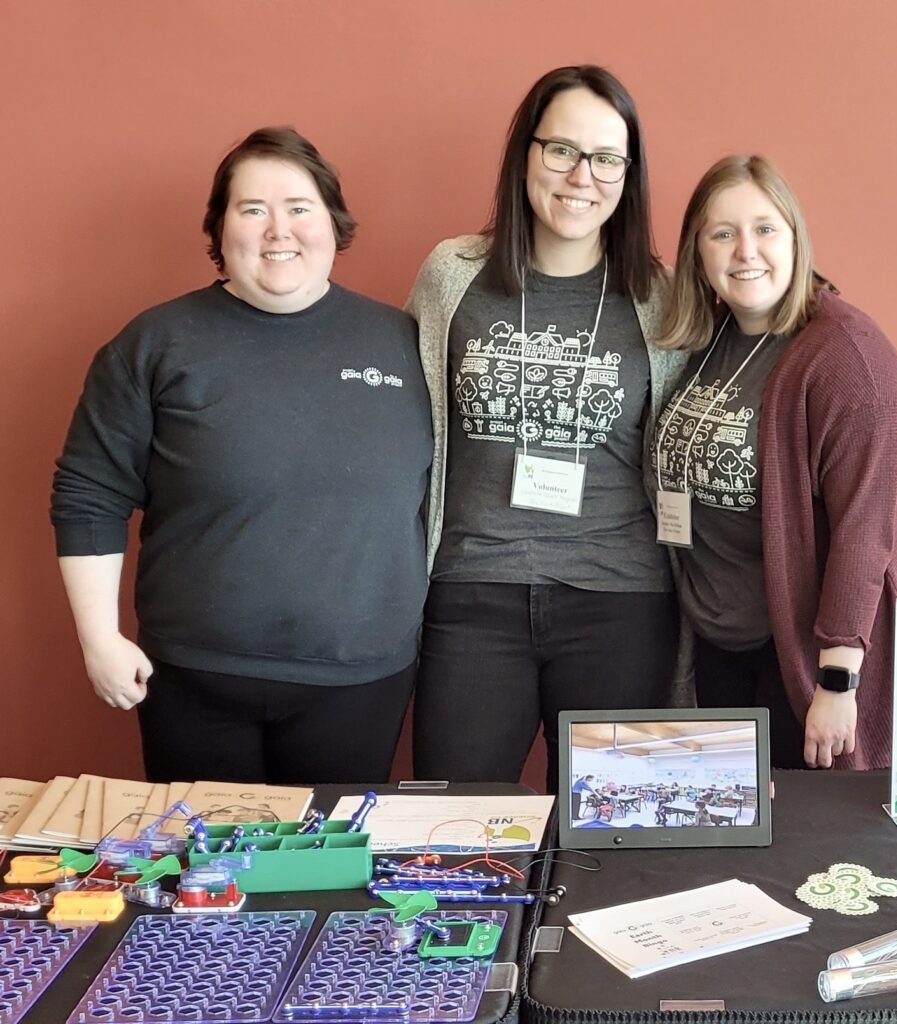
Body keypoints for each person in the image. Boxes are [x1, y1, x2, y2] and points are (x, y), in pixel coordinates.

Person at [51, 127, 433, 785]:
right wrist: (98, 639)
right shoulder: (155, 343)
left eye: (298, 207)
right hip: (196, 679)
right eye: (252, 209)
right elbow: (89, 492)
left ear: (332, 223)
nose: (276, 229)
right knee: (201, 879)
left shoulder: (404, 342)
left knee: (323, 882)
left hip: (358, 681)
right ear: (221, 230)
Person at [409, 65, 687, 792]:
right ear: (525, 155)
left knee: (613, 826)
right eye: (560, 150)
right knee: (453, 830)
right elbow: (405, 429)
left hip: (620, 603)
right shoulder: (452, 272)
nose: (580, 176)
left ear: (629, 174)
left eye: (605, 158)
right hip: (472, 593)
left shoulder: (659, 298)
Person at [654, 155, 897, 771]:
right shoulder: (716, 334)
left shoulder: (850, 361)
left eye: (765, 228)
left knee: (804, 849)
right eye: (723, 233)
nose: (746, 250)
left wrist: (837, 680)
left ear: (796, 235)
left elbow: (864, 531)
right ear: (698, 250)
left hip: (800, 656)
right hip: (719, 642)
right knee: (734, 834)